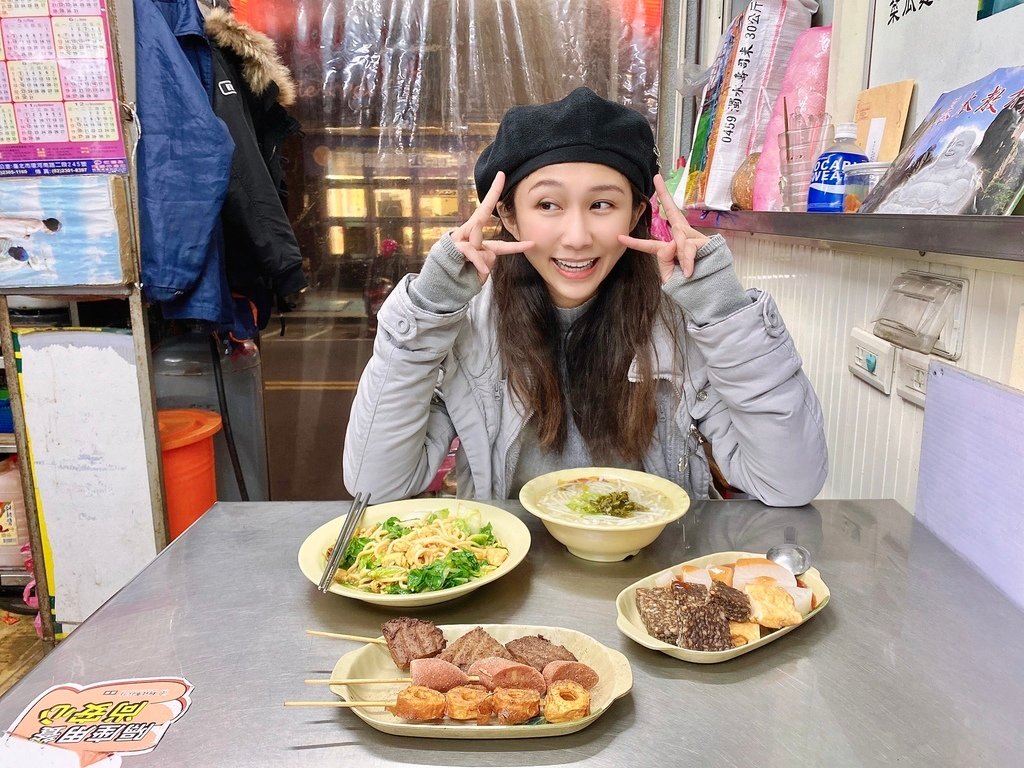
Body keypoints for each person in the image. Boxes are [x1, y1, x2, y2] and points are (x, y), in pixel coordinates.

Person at [344, 87, 827, 506]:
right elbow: (374, 484)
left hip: (654, 579)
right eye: (548, 204)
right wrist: (428, 309)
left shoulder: (682, 322)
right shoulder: (469, 324)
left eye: (602, 204)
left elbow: (790, 482)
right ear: (510, 217)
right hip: (510, 578)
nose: (576, 237)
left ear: (636, 211)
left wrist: (723, 309)